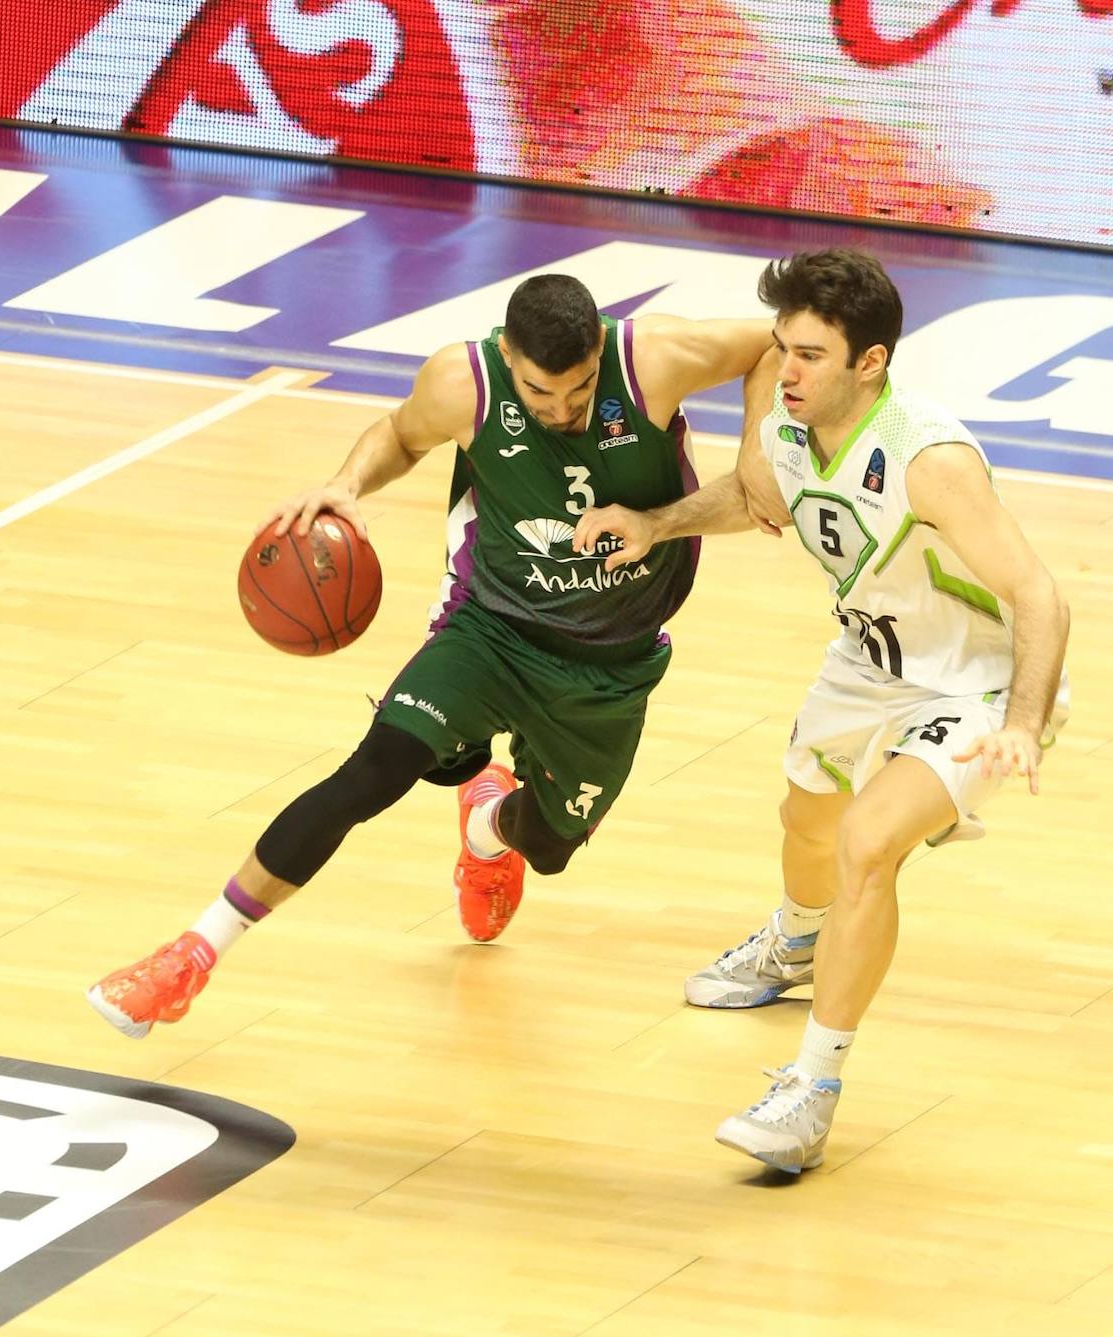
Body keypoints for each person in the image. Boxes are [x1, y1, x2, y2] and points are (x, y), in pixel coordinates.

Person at [87, 274, 773, 1038]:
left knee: (546, 848)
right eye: (542, 393)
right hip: (492, 629)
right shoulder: (461, 381)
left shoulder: (655, 357)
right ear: (509, 355)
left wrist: (752, 456)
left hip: (609, 661)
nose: (562, 410)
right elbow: (400, 434)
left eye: (579, 389)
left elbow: (769, 344)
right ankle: (190, 956)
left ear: (599, 351)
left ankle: (487, 826)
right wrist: (347, 484)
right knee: (372, 773)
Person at [573, 248, 1070, 1175]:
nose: (785, 372)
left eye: (807, 356)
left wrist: (1021, 723)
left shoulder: (929, 460)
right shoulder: (788, 431)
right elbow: (757, 498)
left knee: (866, 846)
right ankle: (795, 942)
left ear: (868, 363)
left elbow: (1041, 595)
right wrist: (656, 524)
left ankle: (811, 1088)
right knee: (805, 819)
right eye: (781, 349)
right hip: (865, 663)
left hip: (974, 685)